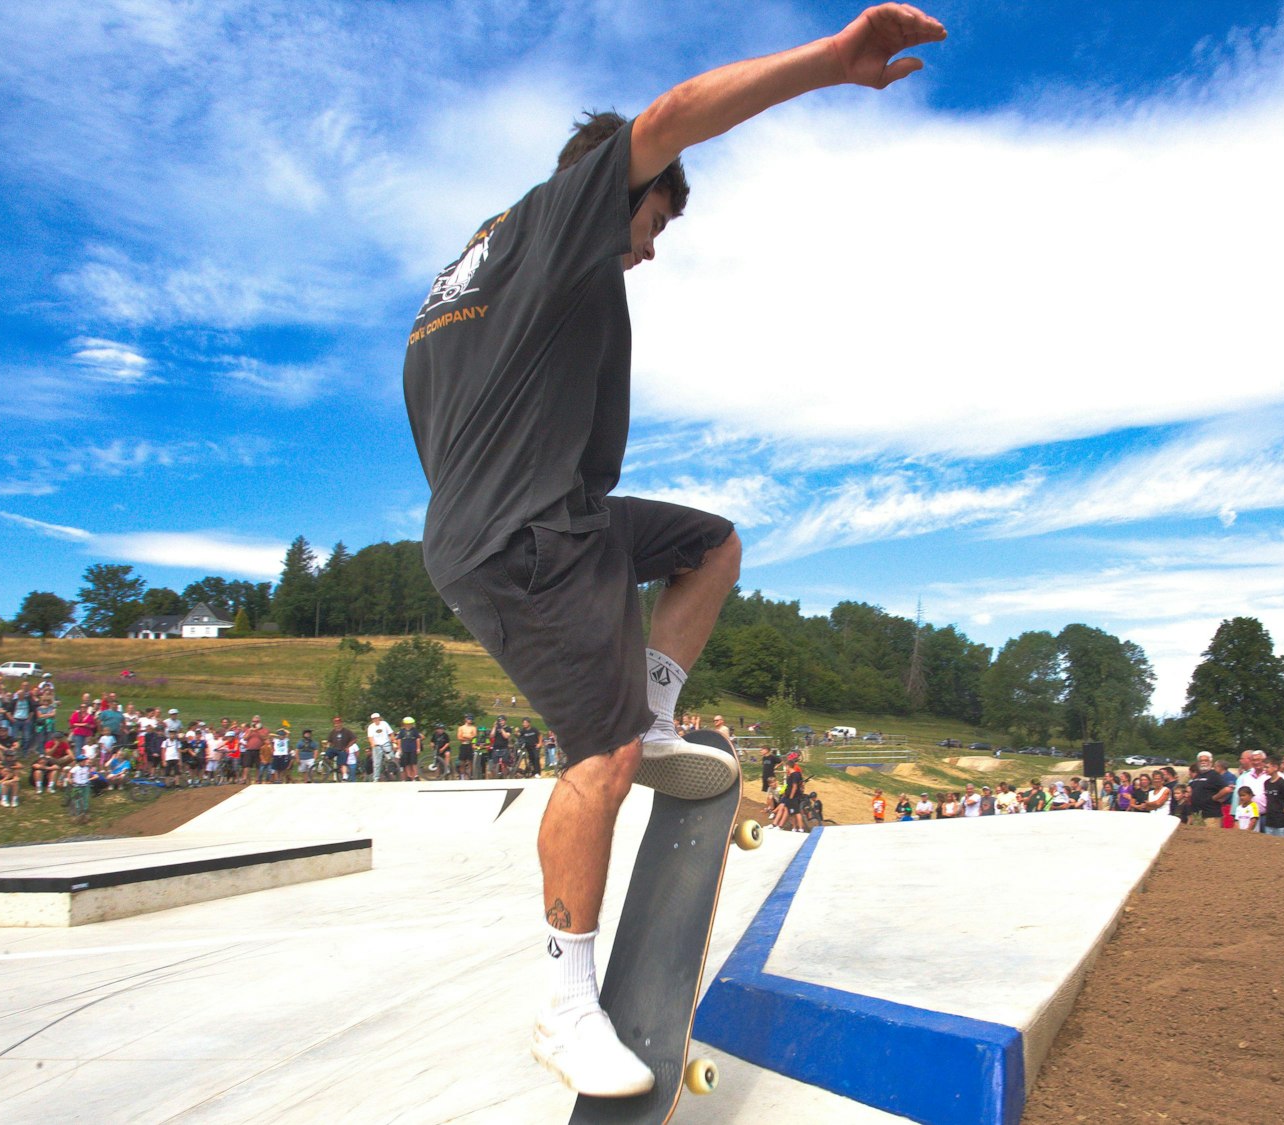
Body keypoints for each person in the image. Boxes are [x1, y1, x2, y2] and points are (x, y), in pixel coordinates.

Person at [401, 4, 945, 1097]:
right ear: (622, 187)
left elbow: (444, 431)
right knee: (590, 761)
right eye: (654, 224)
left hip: (558, 515)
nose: (647, 251)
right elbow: (671, 115)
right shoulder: (561, 217)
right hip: (523, 540)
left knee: (710, 546)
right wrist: (830, 63)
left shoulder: (455, 293)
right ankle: (563, 1004)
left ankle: (648, 715)